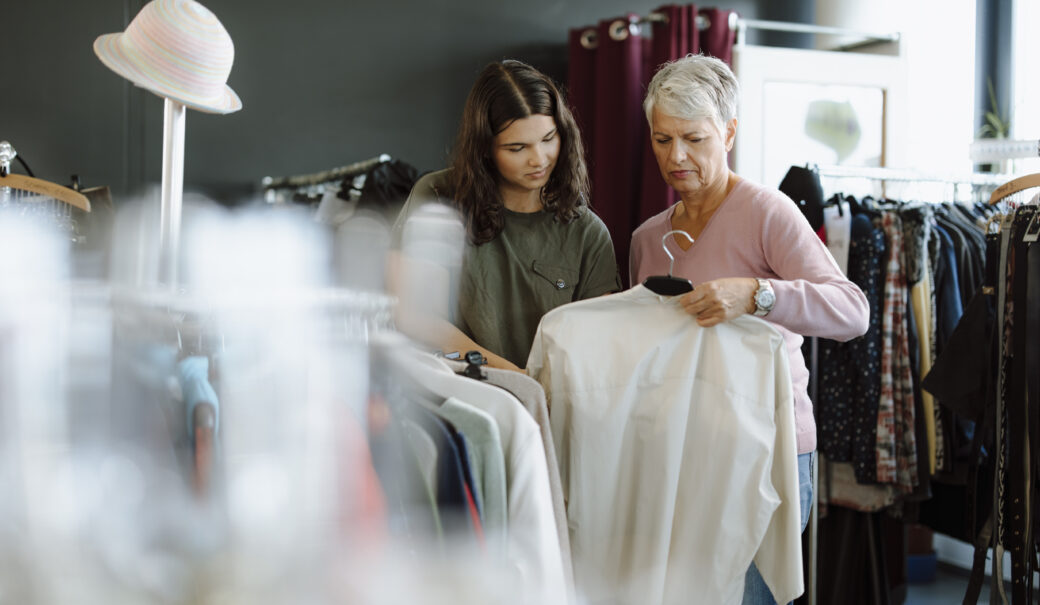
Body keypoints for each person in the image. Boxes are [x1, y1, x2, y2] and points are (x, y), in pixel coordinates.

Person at [629, 54, 869, 604]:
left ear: (729, 132)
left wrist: (757, 295)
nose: (676, 156)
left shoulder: (767, 213)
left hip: (769, 451)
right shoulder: (647, 239)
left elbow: (852, 311)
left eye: (693, 138)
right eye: (662, 140)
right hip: (682, 452)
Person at [391, 59, 621, 372]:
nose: (539, 159)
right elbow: (415, 316)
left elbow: (597, 343)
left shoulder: (587, 233)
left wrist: (535, 391)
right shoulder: (436, 197)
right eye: (517, 148)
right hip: (454, 391)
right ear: (485, 148)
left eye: (548, 139)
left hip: (550, 404)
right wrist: (514, 378)